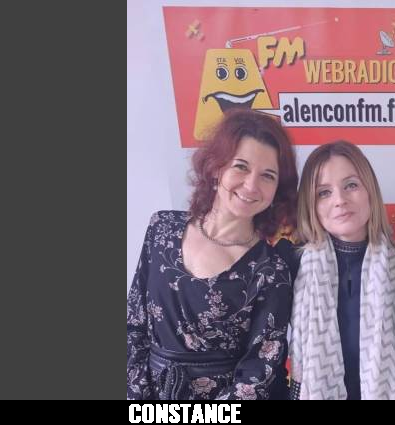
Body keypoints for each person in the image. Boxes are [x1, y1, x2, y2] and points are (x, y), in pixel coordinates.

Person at [126, 109, 298, 400]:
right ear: (217, 167)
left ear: (276, 190)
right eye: (241, 166)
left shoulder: (270, 270)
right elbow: (133, 324)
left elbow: (258, 374)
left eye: (267, 176)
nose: (251, 185)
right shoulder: (162, 228)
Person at [288, 140, 395, 400]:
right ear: (311, 205)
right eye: (324, 193)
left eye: (351, 185)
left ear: (369, 190)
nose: (340, 200)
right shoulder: (291, 265)